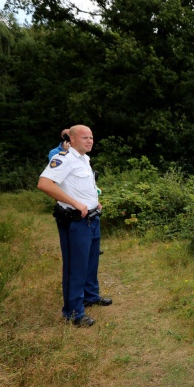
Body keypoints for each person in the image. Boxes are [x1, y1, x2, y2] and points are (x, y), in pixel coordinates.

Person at [37, 125, 112, 327]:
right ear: (71, 139)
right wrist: (75, 203)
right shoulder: (64, 158)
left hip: (92, 218)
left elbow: (82, 185)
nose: (89, 141)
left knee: (91, 262)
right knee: (75, 267)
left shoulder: (84, 159)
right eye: (85, 137)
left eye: (91, 137)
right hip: (75, 221)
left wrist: (94, 199)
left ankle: (90, 296)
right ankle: (73, 312)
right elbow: (44, 183)